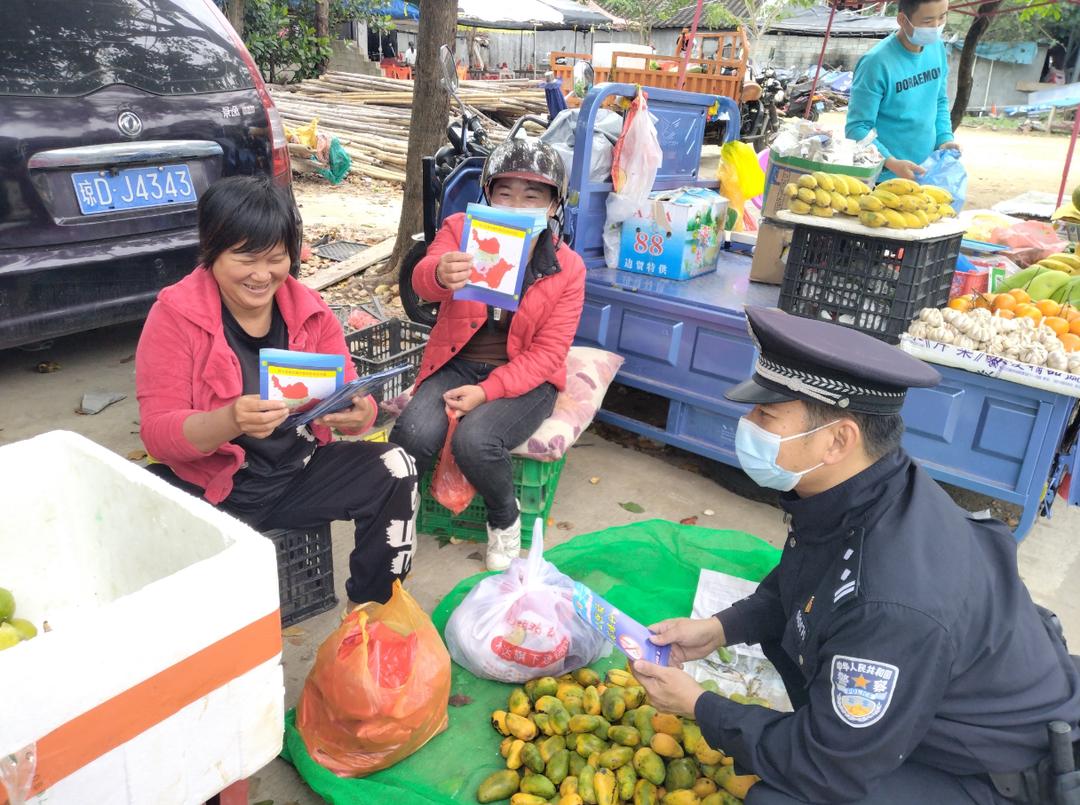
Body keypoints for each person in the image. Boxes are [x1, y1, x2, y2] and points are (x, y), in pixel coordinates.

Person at [632, 307, 1080, 804]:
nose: (747, 423)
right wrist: (719, 629)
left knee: (777, 797)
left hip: (996, 776)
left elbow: (827, 767)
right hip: (935, 714)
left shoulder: (891, 597)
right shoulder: (865, 491)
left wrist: (700, 705)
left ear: (838, 440)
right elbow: (805, 583)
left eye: (767, 414)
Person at [136, 176, 417, 608]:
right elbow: (157, 434)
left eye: (276, 258)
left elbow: (350, 393)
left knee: (396, 467)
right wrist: (229, 420)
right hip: (214, 488)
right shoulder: (174, 317)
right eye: (245, 258)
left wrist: (358, 414)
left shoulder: (309, 311)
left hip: (296, 473)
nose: (262, 275)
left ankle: (373, 617)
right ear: (211, 251)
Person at [390, 138, 584, 572]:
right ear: (487, 194)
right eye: (504, 193)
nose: (516, 205)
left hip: (524, 378)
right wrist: (439, 272)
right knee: (411, 435)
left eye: (532, 195)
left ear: (554, 206)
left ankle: (505, 517)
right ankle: (399, 516)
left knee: (474, 441)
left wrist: (487, 392)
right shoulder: (460, 230)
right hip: (456, 361)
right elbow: (423, 283)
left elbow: (549, 353)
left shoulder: (567, 268)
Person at [845, 0, 961, 181]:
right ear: (902, 20)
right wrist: (891, 162)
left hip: (926, 171)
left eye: (942, 17)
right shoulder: (875, 63)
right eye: (928, 21)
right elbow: (857, 128)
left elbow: (938, 100)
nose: (936, 26)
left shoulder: (937, 48)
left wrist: (944, 138)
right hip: (881, 178)